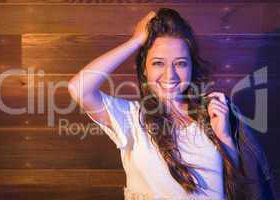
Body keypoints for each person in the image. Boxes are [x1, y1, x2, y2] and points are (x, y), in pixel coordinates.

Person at [68, 8, 277, 200]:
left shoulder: (213, 113)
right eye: (158, 63)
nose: (171, 75)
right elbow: (79, 88)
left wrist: (224, 137)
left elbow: (241, 186)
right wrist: (136, 40)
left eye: (180, 63)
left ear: (191, 66)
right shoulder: (129, 117)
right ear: (144, 69)